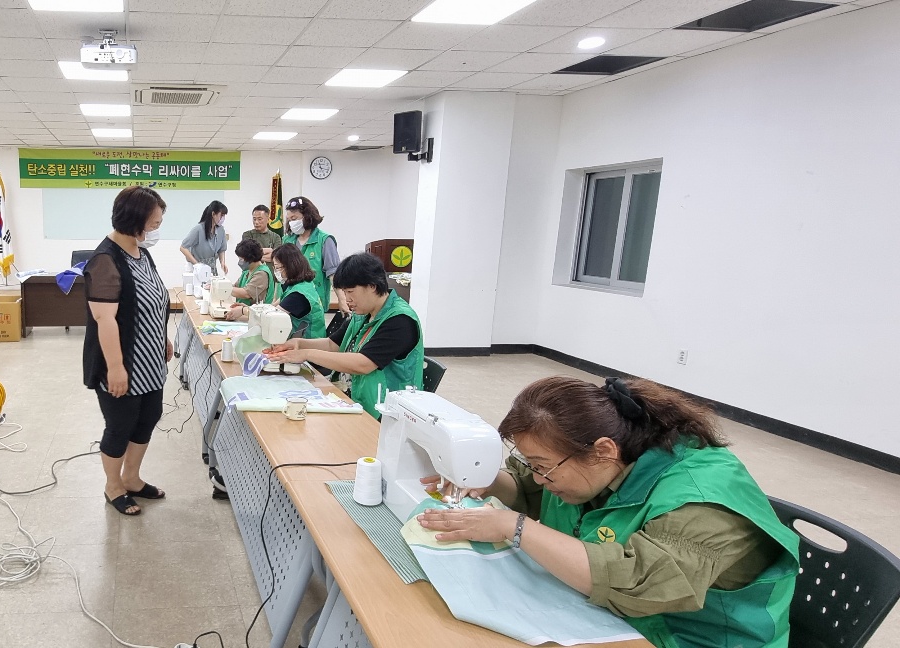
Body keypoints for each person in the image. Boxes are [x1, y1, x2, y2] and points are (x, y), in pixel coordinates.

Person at [417, 377, 800, 648]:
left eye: (542, 465)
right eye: (530, 462)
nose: (538, 475)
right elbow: (532, 489)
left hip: (683, 636)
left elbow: (639, 584)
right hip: (611, 619)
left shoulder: (702, 501)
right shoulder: (598, 464)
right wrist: (486, 479)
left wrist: (512, 526)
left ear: (603, 450)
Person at [83, 185, 172, 516]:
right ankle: (113, 486)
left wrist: (161, 336)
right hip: (121, 362)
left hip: (149, 359)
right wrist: (116, 368)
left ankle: (132, 478)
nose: (156, 230)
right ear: (136, 221)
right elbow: (105, 320)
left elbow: (153, 300)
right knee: (120, 426)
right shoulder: (105, 261)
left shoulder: (142, 253)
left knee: (148, 417)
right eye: (154, 223)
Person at [264, 253, 422, 418]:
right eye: (344, 293)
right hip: (356, 397)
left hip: (385, 412)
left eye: (350, 292)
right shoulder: (364, 313)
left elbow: (363, 364)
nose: (347, 300)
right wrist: (299, 343)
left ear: (372, 286)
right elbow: (334, 344)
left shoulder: (399, 320)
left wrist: (305, 354)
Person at [229, 244, 323, 337]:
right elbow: (272, 308)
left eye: (278, 268)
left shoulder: (297, 295)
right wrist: (250, 309)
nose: (276, 272)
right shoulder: (299, 285)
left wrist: (243, 311)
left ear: (290, 266)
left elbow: (269, 318)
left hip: (307, 342)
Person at [280, 196, 346, 315]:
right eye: (289, 220)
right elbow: (280, 274)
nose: (292, 223)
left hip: (313, 303)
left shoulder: (324, 240)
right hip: (289, 302)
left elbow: (333, 274)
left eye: (294, 218)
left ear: (307, 216)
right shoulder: (287, 240)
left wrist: (342, 300)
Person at [222, 239, 277, 320]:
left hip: (258, 317)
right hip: (245, 313)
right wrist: (222, 285)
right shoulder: (247, 271)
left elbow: (246, 293)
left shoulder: (262, 273)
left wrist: (223, 288)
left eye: (241, 259)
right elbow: (235, 287)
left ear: (250, 258)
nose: (239, 262)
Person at [179, 200, 228, 276]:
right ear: (213, 214)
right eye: (221, 215)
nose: (223, 218)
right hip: (195, 267)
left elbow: (222, 249)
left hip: (211, 267)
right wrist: (197, 264)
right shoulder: (199, 229)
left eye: (224, 216)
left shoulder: (221, 230)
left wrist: (222, 263)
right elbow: (183, 247)